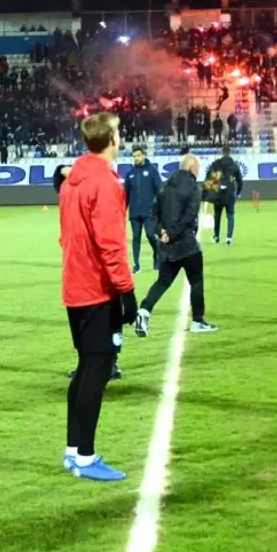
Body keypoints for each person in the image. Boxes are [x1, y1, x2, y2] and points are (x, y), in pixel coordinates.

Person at [58, 113, 137, 482]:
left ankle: (74, 450)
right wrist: (127, 291)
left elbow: (66, 237)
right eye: (118, 132)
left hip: (75, 286)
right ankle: (86, 458)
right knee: (99, 367)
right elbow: (111, 244)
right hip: (96, 288)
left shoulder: (72, 180)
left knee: (87, 366)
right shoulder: (104, 182)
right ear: (112, 139)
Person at [54, 162, 124, 382]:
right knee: (88, 326)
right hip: (79, 269)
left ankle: (109, 364)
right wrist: (62, 169)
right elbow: (59, 177)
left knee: (103, 322)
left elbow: (110, 239)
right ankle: (93, 365)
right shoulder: (72, 190)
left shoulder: (100, 189)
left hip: (96, 269)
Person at [134, 154, 217, 337]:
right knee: (196, 281)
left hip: (166, 247)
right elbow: (189, 216)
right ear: (191, 168)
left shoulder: (165, 188)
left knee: (163, 281)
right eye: (197, 168)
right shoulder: (192, 188)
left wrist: (161, 232)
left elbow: (153, 214)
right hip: (186, 245)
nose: (199, 171)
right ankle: (197, 320)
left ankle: (144, 311)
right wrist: (171, 233)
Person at [124, 146, 162, 274]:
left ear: (144, 155)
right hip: (134, 212)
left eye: (138, 155)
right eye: (134, 156)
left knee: (151, 235)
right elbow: (126, 195)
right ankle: (136, 265)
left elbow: (159, 190)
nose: (136, 158)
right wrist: (122, 210)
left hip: (149, 212)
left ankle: (157, 255)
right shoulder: (130, 174)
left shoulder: (152, 170)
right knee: (136, 237)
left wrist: (159, 208)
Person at [203, 146, 244, 246]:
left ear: (222, 152)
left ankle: (216, 237)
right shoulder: (234, 165)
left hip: (218, 193)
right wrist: (238, 193)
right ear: (230, 153)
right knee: (230, 215)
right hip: (230, 193)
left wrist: (207, 192)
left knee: (217, 215)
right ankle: (229, 238)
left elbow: (208, 178)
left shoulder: (216, 164)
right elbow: (240, 181)